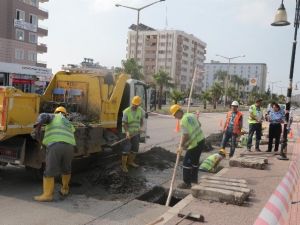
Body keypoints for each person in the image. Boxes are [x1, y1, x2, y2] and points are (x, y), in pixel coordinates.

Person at [31, 106, 76, 202]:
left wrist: (37, 126)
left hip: (56, 146)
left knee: (49, 171)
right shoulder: (68, 122)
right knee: (66, 169)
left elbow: (43, 115)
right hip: (69, 147)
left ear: (56, 112)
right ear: (65, 114)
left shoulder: (55, 116)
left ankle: (47, 195)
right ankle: (65, 189)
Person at [169, 104, 205, 189]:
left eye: (175, 115)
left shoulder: (183, 121)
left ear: (179, 112)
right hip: (201, 141)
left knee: (186, 163)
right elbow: (200, 125)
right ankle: (194, 180)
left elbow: (185, 135)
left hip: (194, 144)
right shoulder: (191, 115)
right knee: (195, 162)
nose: (175, 117)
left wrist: (181, 146)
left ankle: (186, 183)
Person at [121, 96, 145, 173]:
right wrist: (127, 132)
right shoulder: (126, 111)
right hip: (127, 133)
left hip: (136, 133)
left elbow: (141, 120)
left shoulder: (140, 110)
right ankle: (123, 165)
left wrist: (141, 127)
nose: (136, 106)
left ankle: (130, 162)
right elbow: (124, 123)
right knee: (126, 149)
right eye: (135, 104)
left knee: (135, 148)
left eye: (137, 105)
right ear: (132, 103)